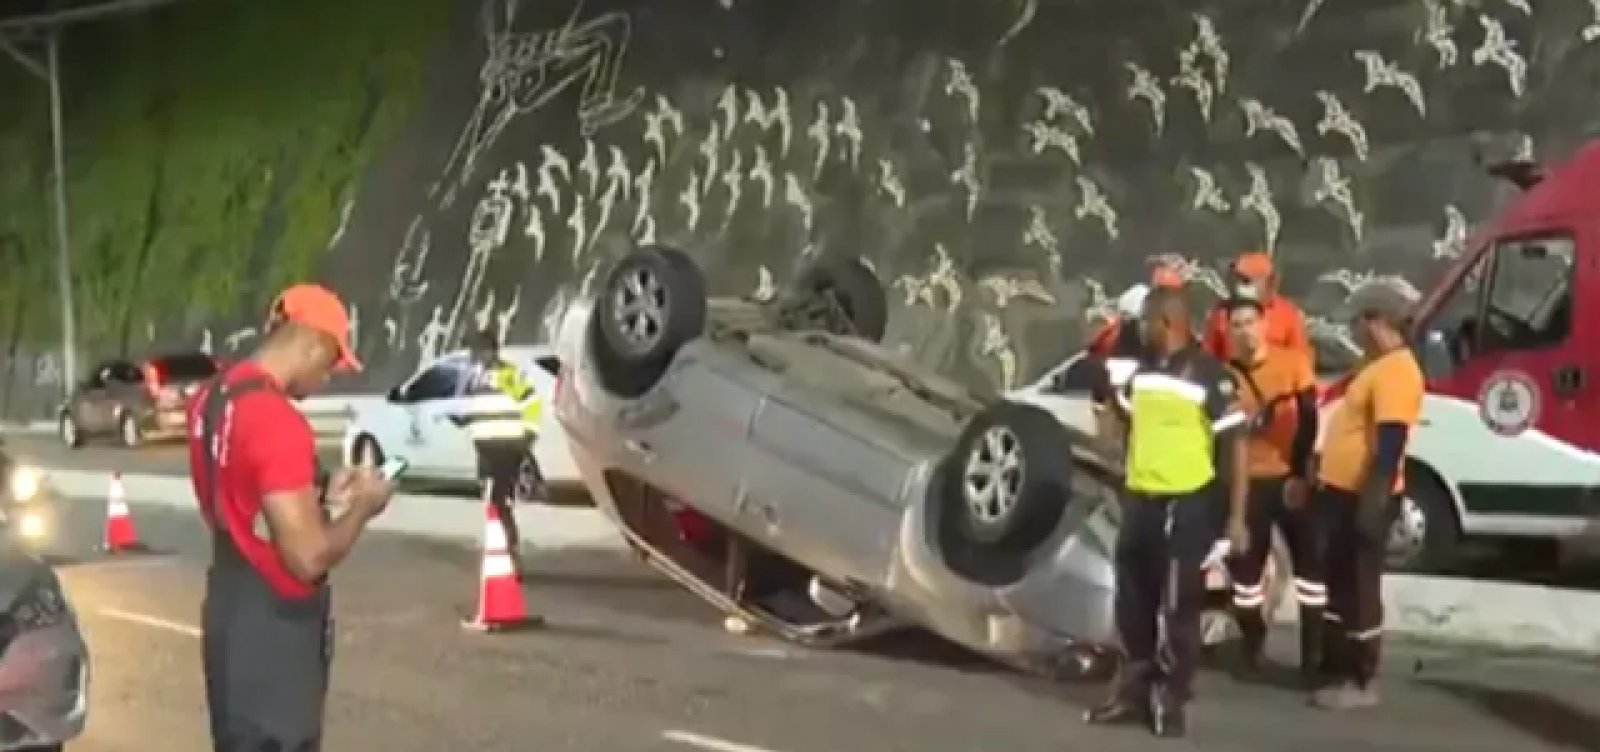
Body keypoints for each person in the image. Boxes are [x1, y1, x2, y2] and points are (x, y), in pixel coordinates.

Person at [188, 283, 393, 751]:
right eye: (330, 364)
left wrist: (316, 490)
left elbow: (241, 491)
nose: (326, 378)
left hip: (228, 609)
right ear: (310, 343)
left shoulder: (212, 397)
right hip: (274, 640)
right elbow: (309, 556)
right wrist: (364, 507)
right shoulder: (275, 419)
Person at [1085, 286, 1250, 738]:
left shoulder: (1210, 376)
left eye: (1144, 322)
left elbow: (1236, 447)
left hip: (1187, 503)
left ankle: (1171, 698)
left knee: (1178, 606)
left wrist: (1236, 518)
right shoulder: (1142, 374)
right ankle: (1133, 692)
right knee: (1132, 602)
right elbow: (1121, 418)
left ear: (1167, 323)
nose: (1139, 330)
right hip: (1140, 499)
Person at [1310, 285, 1423, 710]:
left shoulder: (1396, 371)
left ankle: (1361, 679)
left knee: (1359, 586)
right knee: (1341, 583)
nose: (1355, 331)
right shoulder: (1376, 367)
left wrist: (1373, 502)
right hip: (1343, 493)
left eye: (1359, 322)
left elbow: (1390, 444)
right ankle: (1339, 667)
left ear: (1377, 322)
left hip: (1364, 497)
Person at [1219, 285, 1325, 684]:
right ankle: (1253, 644)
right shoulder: (1226, 376)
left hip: (1289, 478)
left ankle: (1312, 660)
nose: (1245, 332)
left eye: (1250, 322)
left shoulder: (1294, 363)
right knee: (1245, 575)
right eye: (1237, 325)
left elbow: (1310, 420)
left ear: (1264, 324)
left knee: (1310, 574)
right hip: (1248, 484)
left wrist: (1299, 474)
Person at [452, 327, 543, 577]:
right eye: (473, 351)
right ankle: (502, 550)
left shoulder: (507, 374)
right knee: (493, 503)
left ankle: (510, 554)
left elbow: (532, 403)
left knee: (499, 503)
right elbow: (476, 409)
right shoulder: (475, 377)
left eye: (479, 350)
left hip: (506, 448)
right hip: (485, 449)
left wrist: (528, 435)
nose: (474, 355)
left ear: (491, 351)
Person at [1202, 251, 1313, 366]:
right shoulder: (1221, 312)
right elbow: (1207, 358)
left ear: (1268, 282)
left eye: (1246, 280)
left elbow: (1302, 362)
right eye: (1236, 279)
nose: (1238, 286)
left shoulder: (1288, 314)